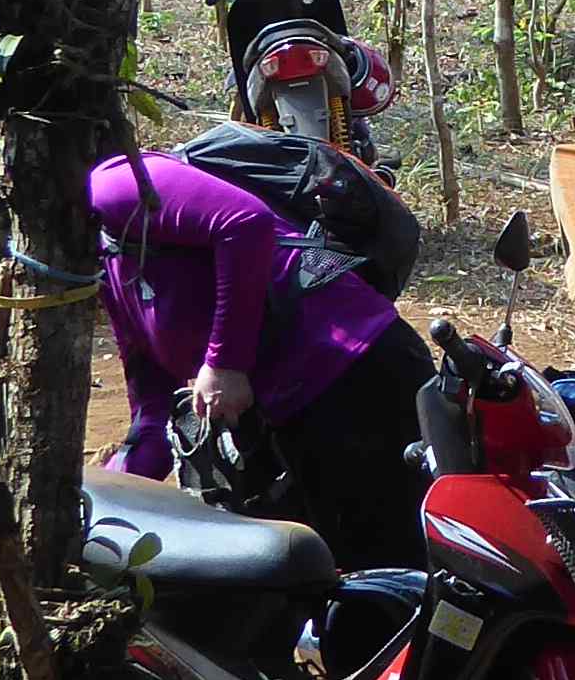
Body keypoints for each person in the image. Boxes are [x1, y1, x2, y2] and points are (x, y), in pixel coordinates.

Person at [88, 145, 437, 570]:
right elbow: (152, 415)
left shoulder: (112, 181)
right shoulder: (106, 262)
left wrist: (224, 363)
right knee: (326, 576)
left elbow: (245, 222)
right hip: (295, 415)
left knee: (393, 571)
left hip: (356, 370)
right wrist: (102, 501)